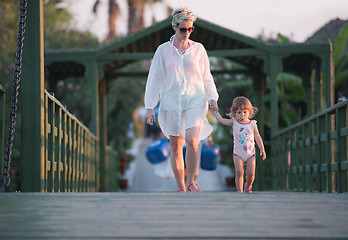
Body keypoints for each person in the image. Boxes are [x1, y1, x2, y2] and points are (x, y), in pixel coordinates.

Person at [144, 7, 219, 193]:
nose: (186, 33)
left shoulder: (199, 49)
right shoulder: (163, 50)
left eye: (190, 29)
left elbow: (206, 76)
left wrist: (212, 97)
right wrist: (149, 106)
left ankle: (192, 182)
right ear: (174, 27)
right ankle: (181, 187)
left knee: (192, 140)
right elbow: (154, 79)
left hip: (195, 99)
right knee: (175, 144)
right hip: (170, 101)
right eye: (183, 29)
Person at [212, 96, 266, 193]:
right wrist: (215, 111)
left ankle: (248, 186)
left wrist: (262, 148)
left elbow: (257, 137)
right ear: (234, 113)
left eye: (245, 112)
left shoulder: (252, 123)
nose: (242, 114)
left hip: (250, 153)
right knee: (239, 172)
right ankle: (239, 191)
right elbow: (221, 120)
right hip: (238, 153)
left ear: (249, 112)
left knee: (251, 173)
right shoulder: (234, 122)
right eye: (239, 112)